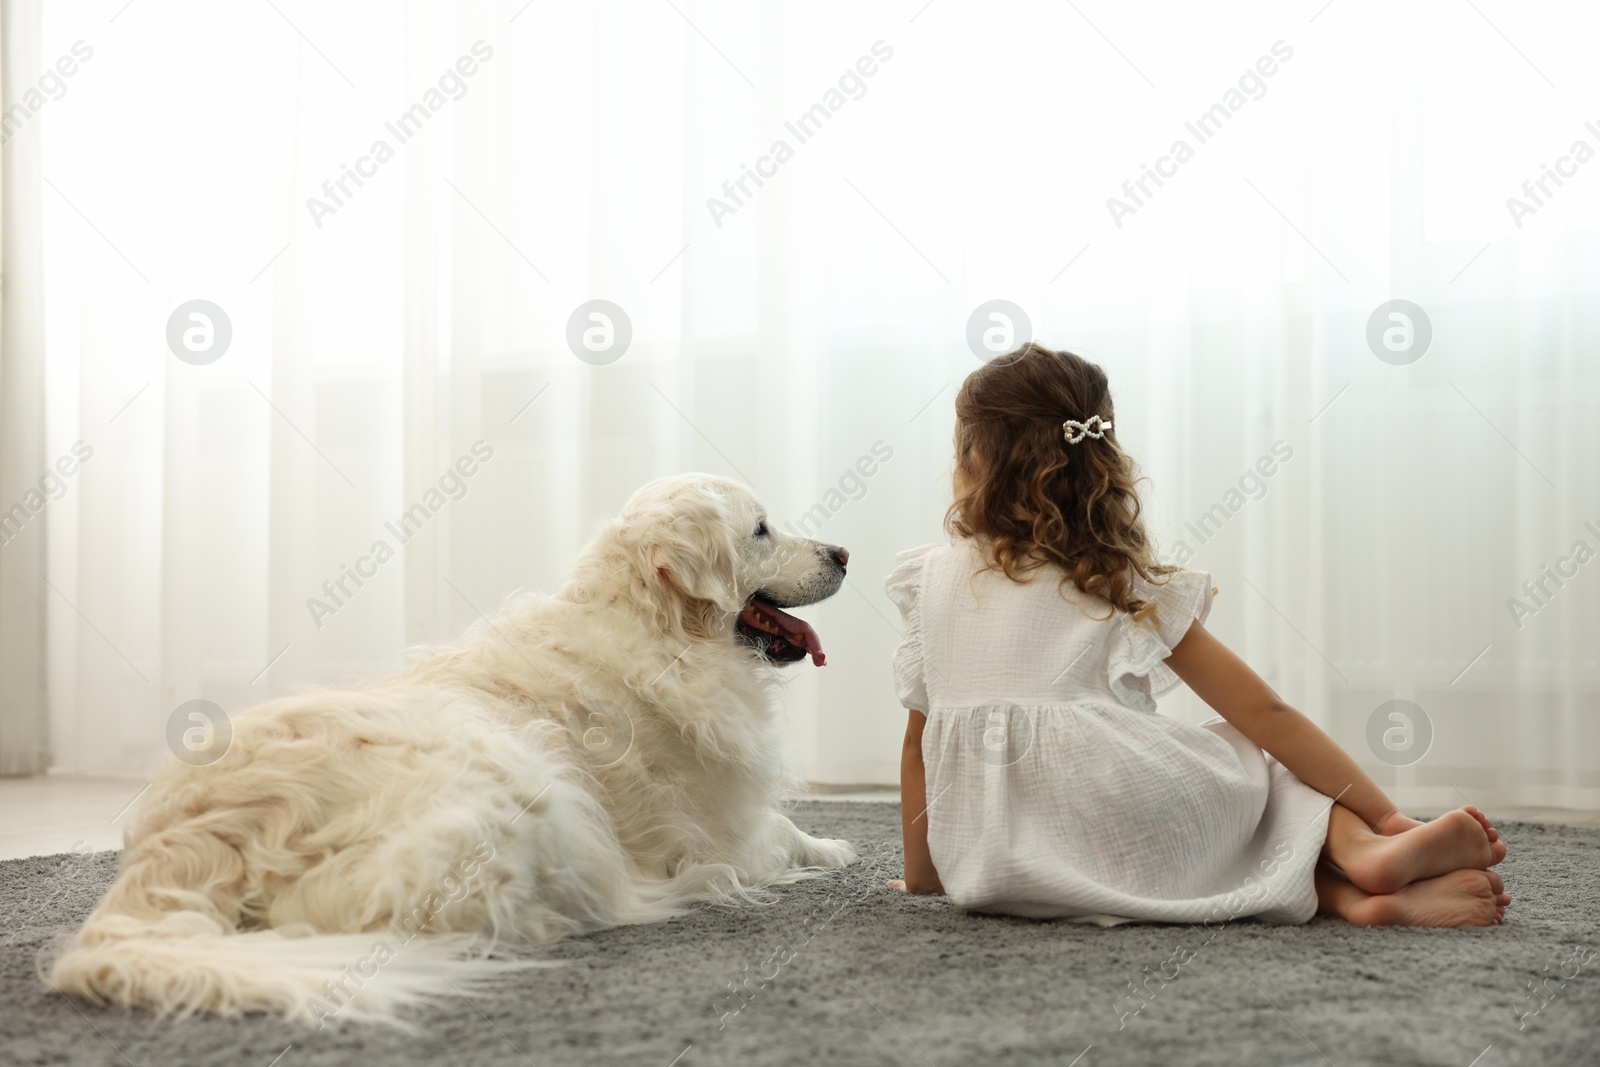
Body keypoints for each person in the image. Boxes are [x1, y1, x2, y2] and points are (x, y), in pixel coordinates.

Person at [885, 343, 1508, 927]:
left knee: (1223, 826)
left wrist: (924, 879)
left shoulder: (929, 579)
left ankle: (1350, 900)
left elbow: (919, 747)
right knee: (1259, 761)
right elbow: (1267, 711)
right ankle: (1369, 852)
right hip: (1130, 828)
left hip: (996, 872)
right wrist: (1387, 813)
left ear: (974, 457)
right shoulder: (1113, 577)